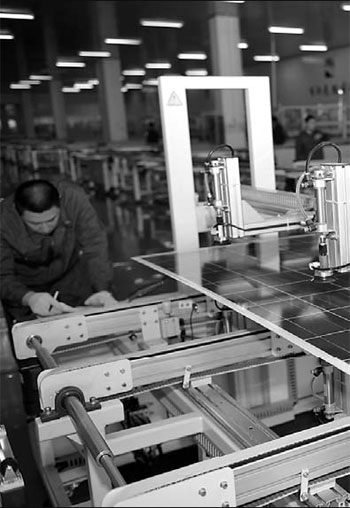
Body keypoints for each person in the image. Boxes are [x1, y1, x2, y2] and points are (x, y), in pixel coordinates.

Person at [0, 178, 118, 324]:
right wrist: (28, 297)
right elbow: (3, 275)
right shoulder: (3, 220)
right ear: (19, 213)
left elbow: (95, 247)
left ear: (60, 204)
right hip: (24, 284)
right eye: (35, 224)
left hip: (70, 276)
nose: (45, 228)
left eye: (51, 220)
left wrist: (102, 289)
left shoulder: (73, 199)